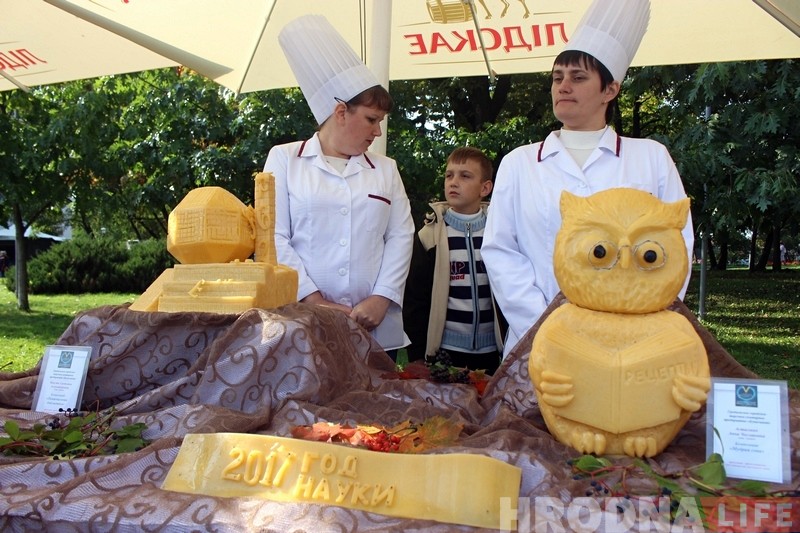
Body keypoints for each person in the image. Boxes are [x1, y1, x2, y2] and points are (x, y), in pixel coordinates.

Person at [482, 0, 694, 358]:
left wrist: (637, 316)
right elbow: (501, 250)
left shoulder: (651, 157)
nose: (563, 86)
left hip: (633, 339)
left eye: (578, 78)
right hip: (539, 339)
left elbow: (677, 247)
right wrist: (545, 321)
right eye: (557, 77)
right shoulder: (520, 163)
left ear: (610, 90)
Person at [265, 15, 415, 356]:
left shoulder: (386, 169)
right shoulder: (285, 159)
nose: (377, 132)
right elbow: (273, 235)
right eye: (371, 119)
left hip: (374, 326)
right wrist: (313, 299)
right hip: (303, 321)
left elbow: (401, 236)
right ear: (340, 112)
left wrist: (382, 297)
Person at [403, 147, 504, 373]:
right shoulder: (429, 237)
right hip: (445, 351)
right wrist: (418, 354)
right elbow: (414, 300)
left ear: (485, 188)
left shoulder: (499, 234)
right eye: (449, 175)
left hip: (492, 351)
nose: (453, 182)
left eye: (465, 176)